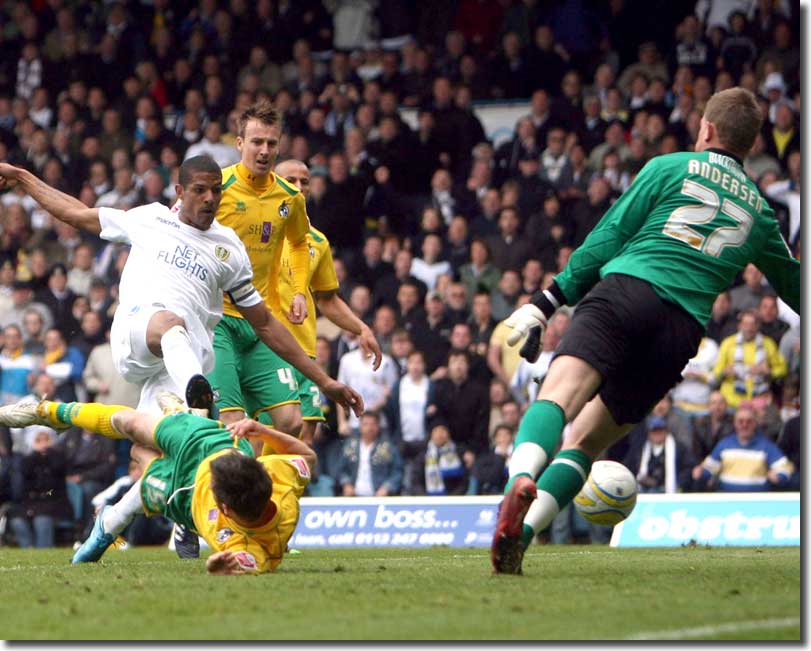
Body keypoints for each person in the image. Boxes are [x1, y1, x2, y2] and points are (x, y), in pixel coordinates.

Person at [490, 88, 800, 574]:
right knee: (588, 443)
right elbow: (794, 286)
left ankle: (521, 479)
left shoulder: (669, 167)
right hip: (679, 332)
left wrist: (547, 302)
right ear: (750, 144)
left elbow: (609, 236)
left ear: (708, 129)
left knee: (558, 397)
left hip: (629, 291)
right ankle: (524, 534)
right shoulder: (761, 213)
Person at [0, 396, 322, 574]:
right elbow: (307, 454)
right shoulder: (282, 482)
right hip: (213, 444)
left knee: (141, 454)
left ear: (224, 508)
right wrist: (260, 430)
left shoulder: (246, 545)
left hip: (179, 492)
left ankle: (108, 524)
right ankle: (46, 412)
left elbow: (244, 563)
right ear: (261, 472)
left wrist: (222, 564)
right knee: (131, 422)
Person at [208, 101, 318, 437]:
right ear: (239, 143)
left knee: (291, 421)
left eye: (271, 143)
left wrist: (299, 290)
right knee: (231, 423)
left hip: (261, 322)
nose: (264, 150)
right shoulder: (216, 188)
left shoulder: (289, 197)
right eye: (256, 141)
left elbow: (300, 243)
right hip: (217, 321)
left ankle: (266, 486)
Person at [273, 158, 382, 450]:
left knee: (305, 441)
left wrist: (362, 329)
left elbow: (327, 298)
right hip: (265, 349)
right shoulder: (257, 230)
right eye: (290, 180)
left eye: (304, 182)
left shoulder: (317, 241)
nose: (298, 187)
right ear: (273, 182)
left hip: (305, 354)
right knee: (266, 435)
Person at [692, 403, 793, 492]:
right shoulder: (724, 445)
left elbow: (786, 468)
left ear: (755, 423)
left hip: (758, 502)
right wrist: (701, 472)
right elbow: (709, 468)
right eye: (740, 421)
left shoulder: (766, 446)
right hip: (727, 500)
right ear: (735, 423)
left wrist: (779, 476)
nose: (744, 425)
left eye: (749, 421)